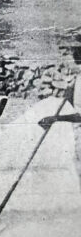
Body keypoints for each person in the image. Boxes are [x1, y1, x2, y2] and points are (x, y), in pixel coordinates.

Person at [38, 41, 81, 187]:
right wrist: (70, 93)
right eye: (73, 50)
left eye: (78, 50)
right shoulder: (78, 77)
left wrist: (55, 118)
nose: (74, 54)